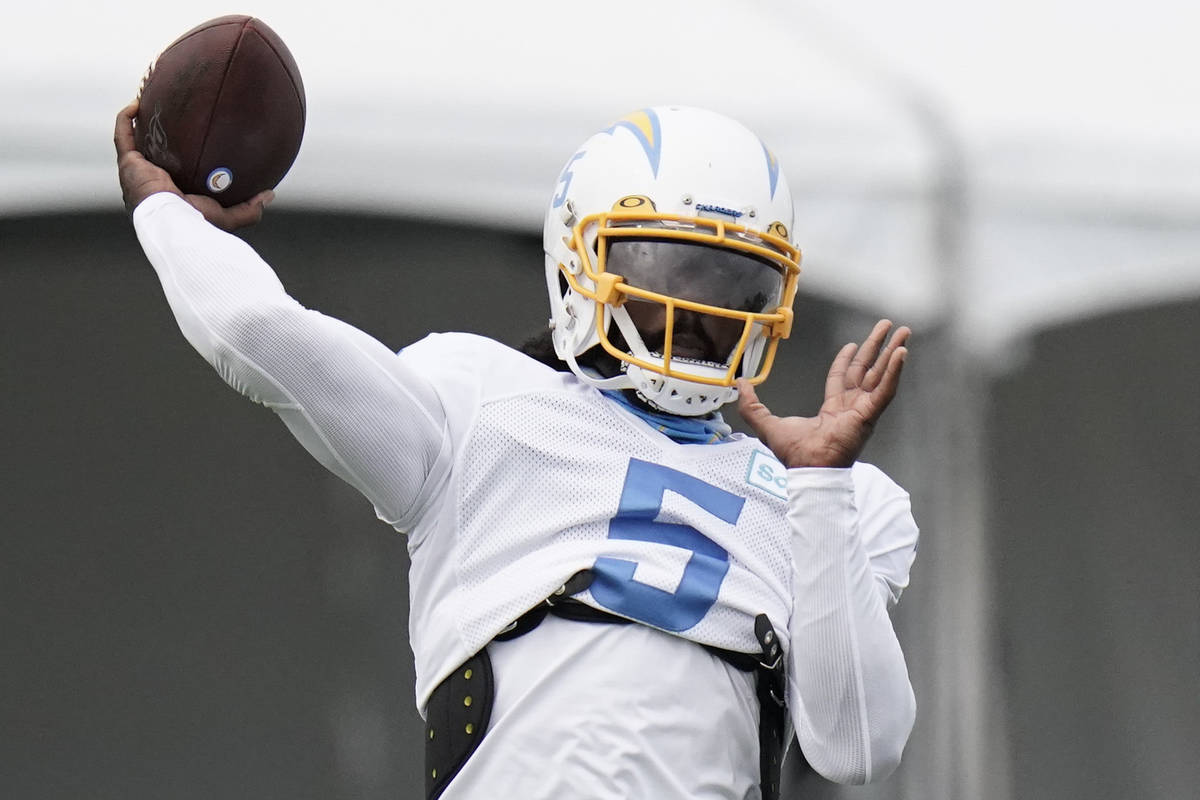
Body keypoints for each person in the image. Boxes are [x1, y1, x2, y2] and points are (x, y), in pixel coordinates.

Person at [115, 102, 917, 800]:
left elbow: (858, 748)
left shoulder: (833, 501)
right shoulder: (478, 404)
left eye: (732, 288)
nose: (693, 312)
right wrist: (166, 215)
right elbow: (261, 333)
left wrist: (819, 487)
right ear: (577, 260)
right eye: (670, 270)